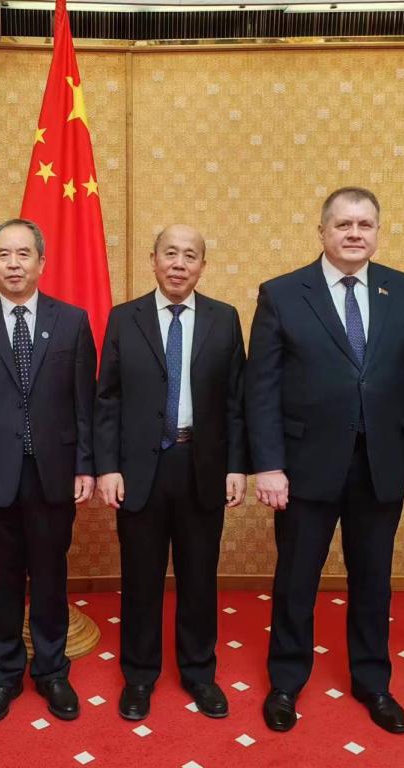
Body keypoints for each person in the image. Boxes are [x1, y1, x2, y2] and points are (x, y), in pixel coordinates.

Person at [246, 186, 404, 734]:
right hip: (304, 467)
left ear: (377, 232)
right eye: (344, 225)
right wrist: (269, 465)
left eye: (365, 225)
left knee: (373, 581)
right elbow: (261, 387)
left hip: (382, 464)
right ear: (322, 232)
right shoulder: (282, 293)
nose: (355, 234)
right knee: (296, 580)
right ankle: (286, 681)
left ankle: (373, 682)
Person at [0, 218, 96, 725]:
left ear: (41, 262)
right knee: (3, 580)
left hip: (54, 472)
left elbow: (85, 403)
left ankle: (52, 671)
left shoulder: (71, 320)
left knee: (51, 576)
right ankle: (4, 675)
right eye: (3, 254)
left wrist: (86, 465)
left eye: (23, 254)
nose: (13, 264)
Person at [95, 224, 247, 721]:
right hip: (140, 469)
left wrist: (237, 466)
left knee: (199, 576)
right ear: (153, 259)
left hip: (202, 465)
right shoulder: (125, 318)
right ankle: (139, 676)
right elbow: (107, 399)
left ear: (202, 265)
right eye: (170, 254)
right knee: (141, 578)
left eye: (190, 256)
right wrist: (108, 467)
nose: (179, 264)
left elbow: (236, 401)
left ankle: (200, 673)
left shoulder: (225, 319)